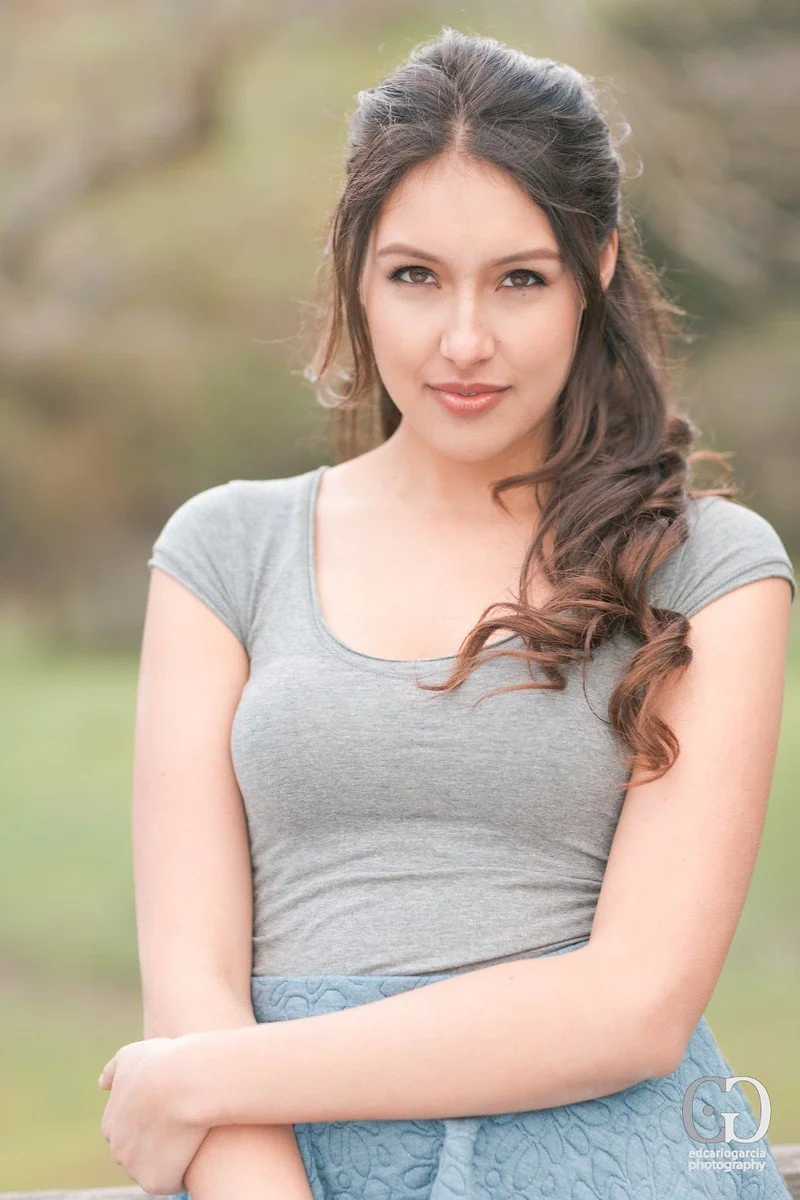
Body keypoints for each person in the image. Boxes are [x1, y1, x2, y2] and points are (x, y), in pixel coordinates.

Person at [98, 26, 796, 1200]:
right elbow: (192, 986)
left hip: (612, 1167)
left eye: (519, 279)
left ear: (595, 271)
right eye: (414, 276)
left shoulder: (707, 567)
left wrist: (205, 1080)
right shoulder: (226, 551)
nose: (463, 342)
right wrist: (223, 1113)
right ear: (354, 274)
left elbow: (633, 1008)